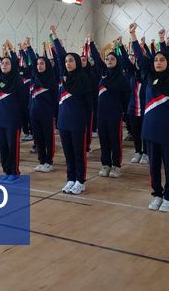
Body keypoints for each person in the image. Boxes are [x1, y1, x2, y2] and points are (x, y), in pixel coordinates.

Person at [130, 24, 169, 212]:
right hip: (150, 129)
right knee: (153, 166)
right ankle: (157, 194)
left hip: (168, 130)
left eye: (162, 60)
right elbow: (141, 58)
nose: (158, 62)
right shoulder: (149, 76)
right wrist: (133, 35)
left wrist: (162, 42)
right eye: (156, 60)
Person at [52, 26, 93, 194]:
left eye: (71, 61)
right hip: (63, 122)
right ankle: (70, 179)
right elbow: (60, 55)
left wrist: (84, 121)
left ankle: (80, 181)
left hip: (77, 122)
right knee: (68, 153)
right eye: (66, 61)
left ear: (77, 62)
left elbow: (89, 104)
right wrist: (54, 37)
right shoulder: (63, 77)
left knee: (78, 153)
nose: (68, 63)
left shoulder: (84, 79)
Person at [88, 35, 130, 178]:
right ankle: (105, 164)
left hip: (114, 115)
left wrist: (122, 112)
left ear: (117, 61)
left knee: (115, 141)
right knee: (104, 141)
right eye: (107, 59)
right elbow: (96, 58)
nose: (109, 61)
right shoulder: (103, 74)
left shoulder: (122, 78)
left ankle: (116, 166)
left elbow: (126, 97)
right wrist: (91, 42)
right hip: (101, 114)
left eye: (112, 59)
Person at [0, 36, 28, 183]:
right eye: (2, 63)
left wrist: (21, 119)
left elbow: (23, 100)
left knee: (13, 148)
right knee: (3, 147)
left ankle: (15, 172)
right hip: (0, 120)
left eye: (7, 63)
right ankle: (6, 171)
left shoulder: (17, 80)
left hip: (12, 120)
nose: (4, 65)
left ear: (12, 65)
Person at [25, 38, 58, 173]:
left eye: (42, 63)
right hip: (34, 114)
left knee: (48, 138)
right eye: (38, 64)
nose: (39, 66)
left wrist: (54, 114)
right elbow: (33, 62)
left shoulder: (51, 79)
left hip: (46, 114)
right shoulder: (34, 77)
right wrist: (28, 48)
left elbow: (55, 99)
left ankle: (49, 161)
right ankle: (42, 160)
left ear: (47, 65)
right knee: (38, 139)